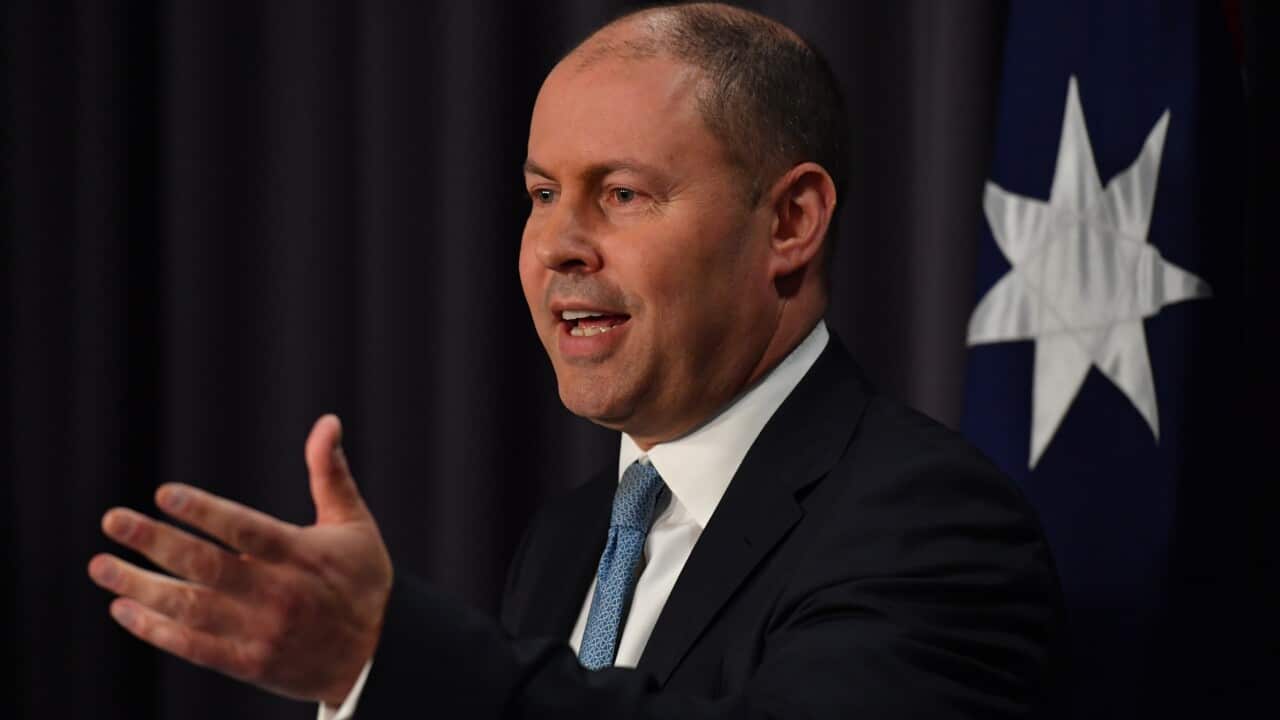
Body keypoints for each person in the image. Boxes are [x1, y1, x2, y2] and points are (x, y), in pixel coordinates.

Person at [88, 4, 1063, 718]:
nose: (556, 245)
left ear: (789, 222)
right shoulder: (567, 542)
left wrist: (386, 657)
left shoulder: (929, 524)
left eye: (622, 194)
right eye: (543, 194)